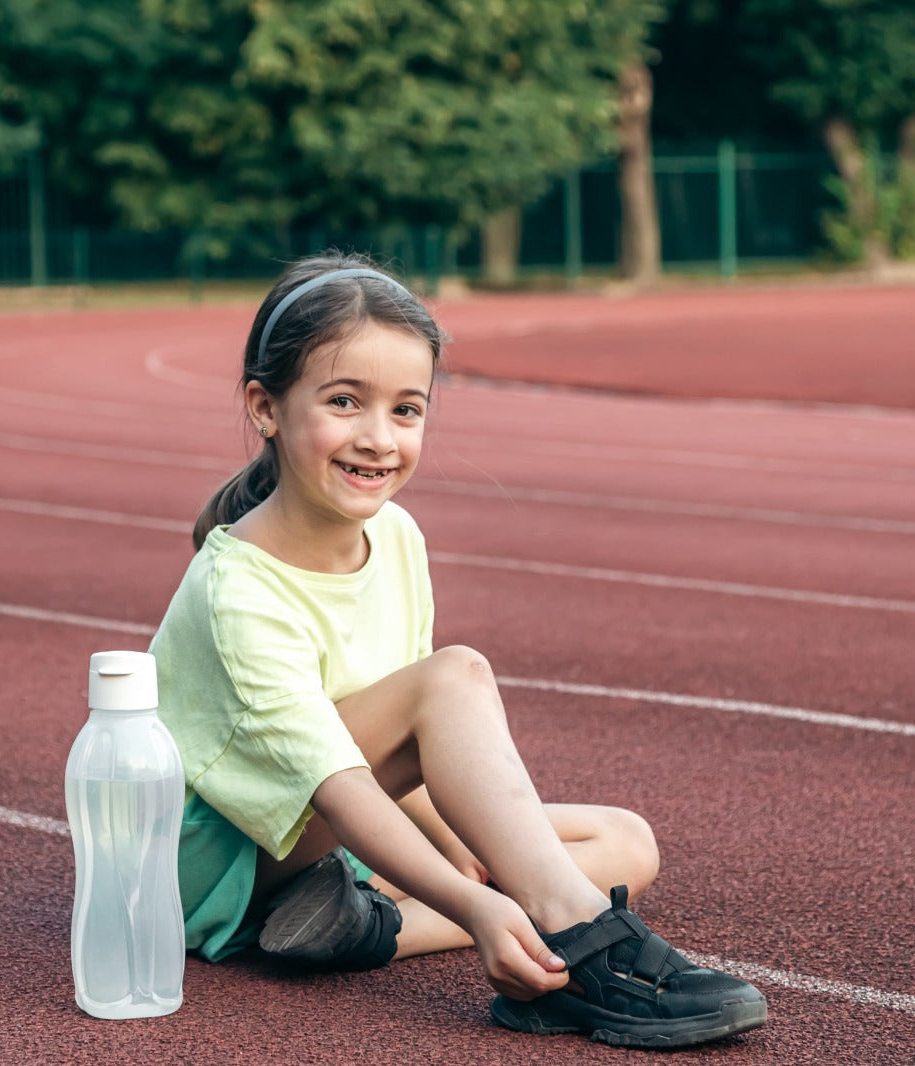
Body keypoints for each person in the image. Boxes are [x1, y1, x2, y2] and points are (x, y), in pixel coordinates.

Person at [147, 253, 767, 1049]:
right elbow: (339, 784)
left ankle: (361, 930)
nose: (378, 438)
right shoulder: (239, 589)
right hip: (222, 867)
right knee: (458, 685)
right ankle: (583, 952)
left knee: (625, 845)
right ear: (265, 408)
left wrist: (460, 850)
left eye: (407, 410)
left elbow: (402, 753)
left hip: (332, 843)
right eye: (344, 401)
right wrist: (475, 904)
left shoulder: (396, 538)